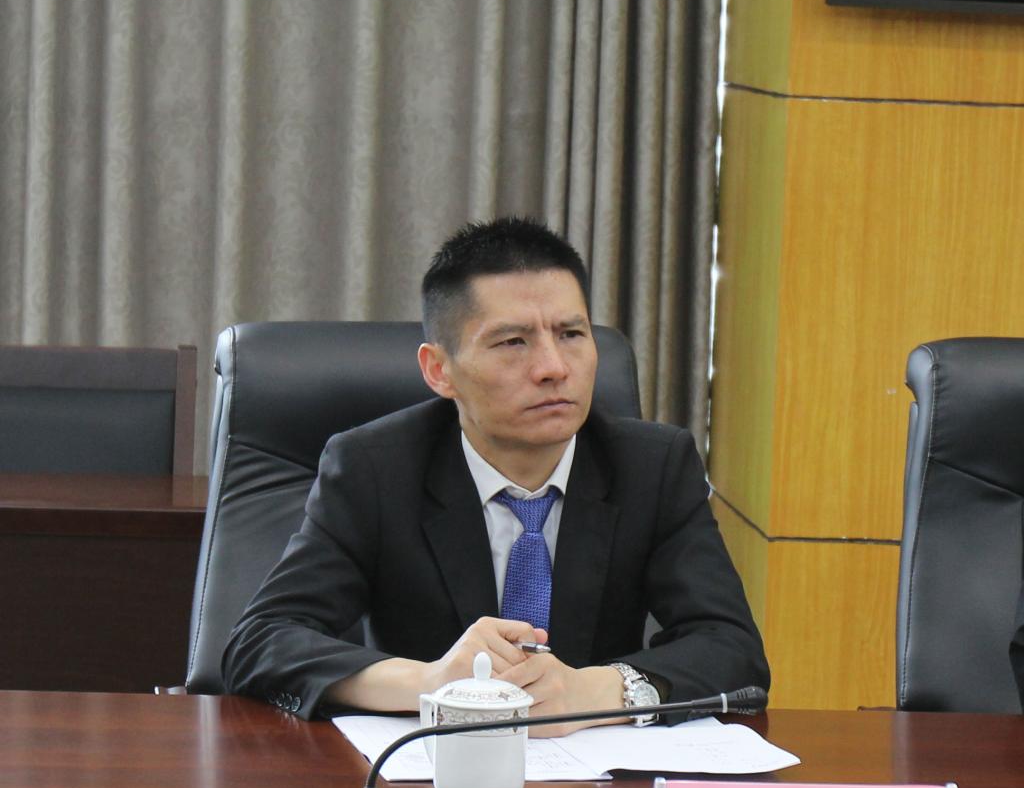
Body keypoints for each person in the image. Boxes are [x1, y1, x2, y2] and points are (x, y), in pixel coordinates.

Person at [222, 215, 769, 734]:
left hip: (596, 778)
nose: (554, 367)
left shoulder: (653, 467)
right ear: (440, 370)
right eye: (513, 342)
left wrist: (597, 691)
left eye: (571, 334)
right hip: (427, 774)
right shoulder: (375, 468)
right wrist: (430, 682)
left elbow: (733, 649)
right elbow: (261, 642)